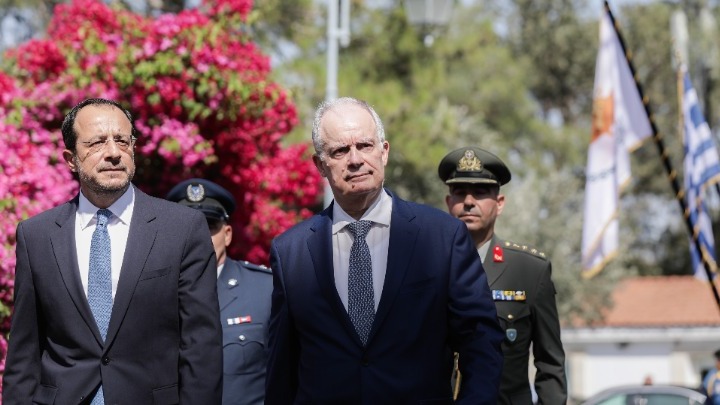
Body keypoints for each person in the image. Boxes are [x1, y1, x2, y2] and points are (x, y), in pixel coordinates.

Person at [265, 97, 504, 404]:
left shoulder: (442, 237)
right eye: (340, 151)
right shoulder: (291, 252)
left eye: (365, 145)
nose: (355, 159)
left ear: (384, 151)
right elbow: (282, 368)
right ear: (320, 165)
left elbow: (480, 341)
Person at [2, 98, 223, 404]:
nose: (113, 153)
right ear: (70, 159)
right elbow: (24, 352)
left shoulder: (182, 229)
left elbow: (201, 346)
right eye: (96, 143)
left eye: (122, 140)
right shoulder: (37, 236)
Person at [438, 146, 567, 404]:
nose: (469, 201)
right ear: (449, 202)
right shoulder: (424, 265)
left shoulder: (529, 270)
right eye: (460, 192)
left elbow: (550, 364)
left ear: (499, 204)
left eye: (480, 192)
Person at [166, 178, 272, 405]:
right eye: (187, 227)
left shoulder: (265, 290)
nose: (200, 236)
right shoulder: (153, 292)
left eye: (210, 226)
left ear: (228, 234)